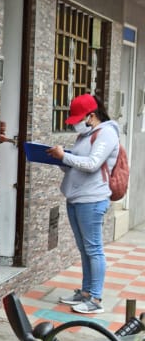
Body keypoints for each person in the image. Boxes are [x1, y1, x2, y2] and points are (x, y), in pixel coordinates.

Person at [47, 93, 120, 316]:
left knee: (94, 249)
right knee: (84, 248)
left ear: (92, 115)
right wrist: (59, 158)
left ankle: (95, 298)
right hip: (76, 198)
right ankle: (86, 292)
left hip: (92, 199)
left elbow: (91, 164)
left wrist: (64, 157)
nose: (76, 123)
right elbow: (75, 165)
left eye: (80, 118)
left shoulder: (106, 134)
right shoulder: (86, 135)